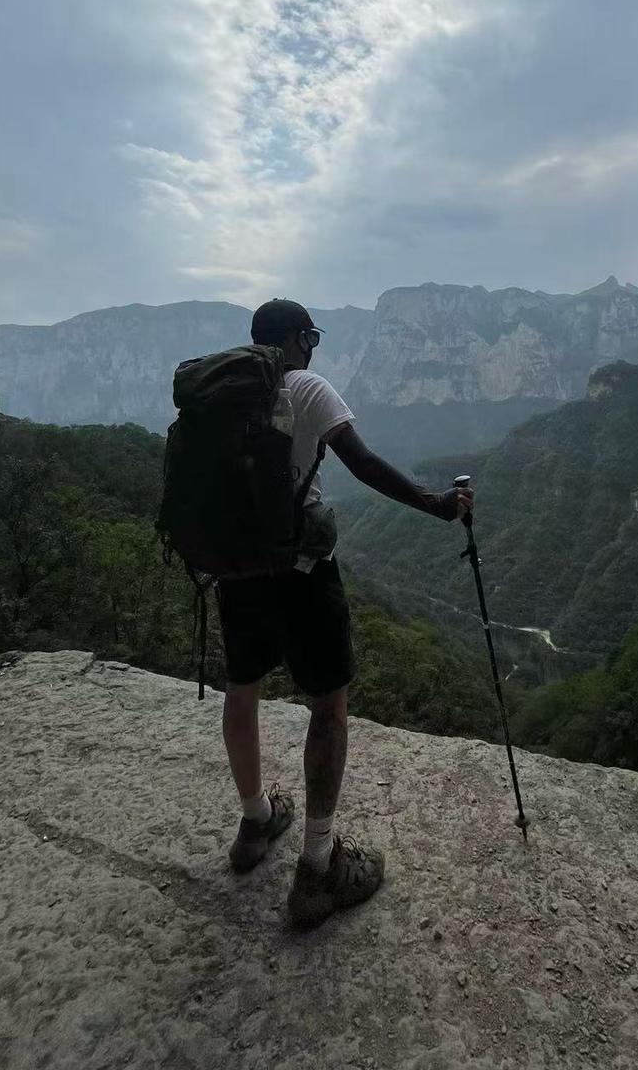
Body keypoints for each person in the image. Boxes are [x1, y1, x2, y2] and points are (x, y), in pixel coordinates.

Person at [218, 298, 473, 927]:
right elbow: (362, 463)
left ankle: (254, 823)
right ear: (298, 339)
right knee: (329, 705)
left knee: (242, 688)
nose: (315, 349)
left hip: (236, 568)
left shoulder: (223, 391)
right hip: (302, 573)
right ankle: (317, 869)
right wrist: (436, 504)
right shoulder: (306, 386)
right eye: (313, 338)